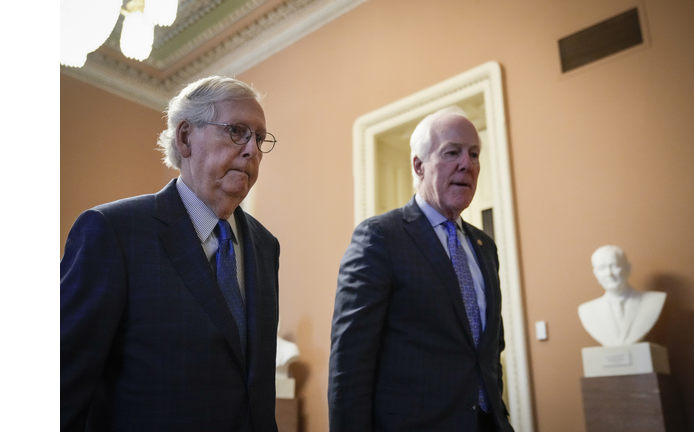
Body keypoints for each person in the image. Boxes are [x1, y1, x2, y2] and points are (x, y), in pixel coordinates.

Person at [60, 76, 280, 432]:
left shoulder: (266, 245)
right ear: (185, 137)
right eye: (237, 131)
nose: (252, 150)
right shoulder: (112, 231)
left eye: (258, 138)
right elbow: (62, 383)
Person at [328, 106, 514, 432]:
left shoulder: (486, 247)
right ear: (419, 165)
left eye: (474, 154)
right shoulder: (381, 237)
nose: (466, 164)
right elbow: (350, 361)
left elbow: (489, 348)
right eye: (452, 152)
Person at [578, 245, 666, 347]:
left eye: (614, 266)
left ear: (628, 268)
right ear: (595, 273)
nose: (609, 273)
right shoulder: (587, 310)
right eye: (601, 268)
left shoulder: (653, 301)